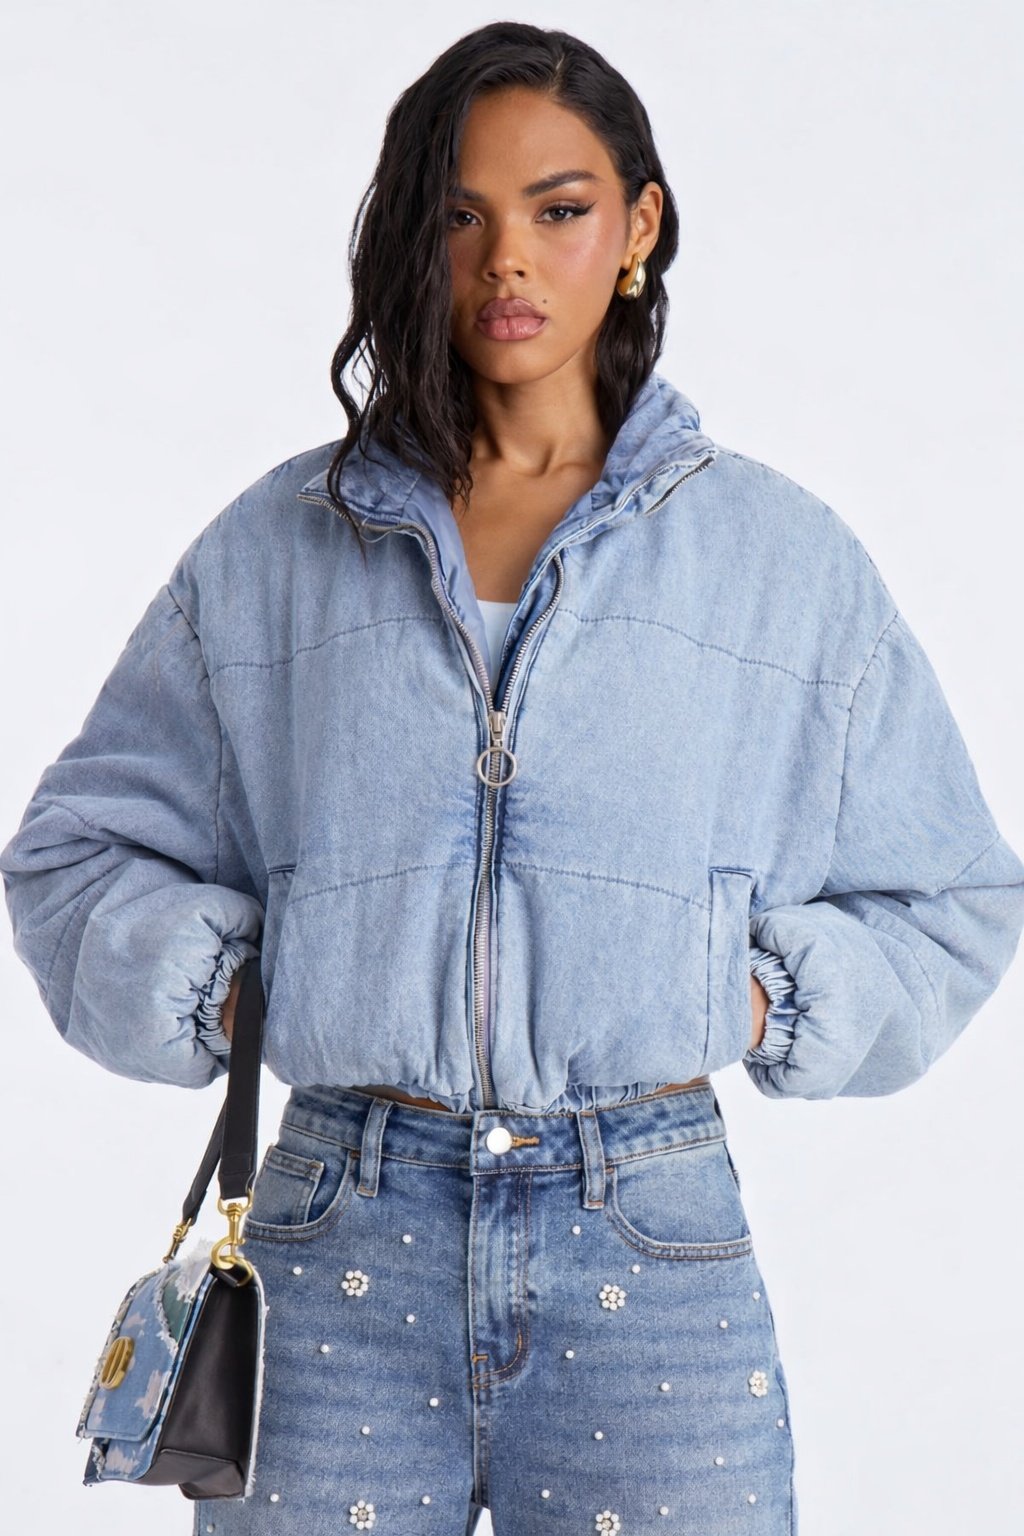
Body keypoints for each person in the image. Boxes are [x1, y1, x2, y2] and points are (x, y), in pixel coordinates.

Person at [3, 20, 1023, 1536]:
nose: (509, 262)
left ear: (639, 227)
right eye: (462, 215)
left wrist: (741, 1000)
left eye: (559, 208)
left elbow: (951, 896)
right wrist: (248, 990)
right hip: (340, 1237)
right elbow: (74, 853)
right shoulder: (283, 546)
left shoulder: (778, 562)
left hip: (649, 1244)